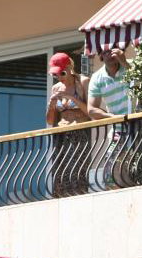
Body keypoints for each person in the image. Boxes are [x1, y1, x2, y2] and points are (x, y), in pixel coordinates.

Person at [47, 52, 93, 196]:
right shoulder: (56, 88)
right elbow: (49, 121)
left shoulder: (83, 82)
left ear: (69, 68)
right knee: (61, 175)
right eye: (56, 75)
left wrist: (71, 97)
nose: (59, 77)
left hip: (81, 131)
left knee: (79, 173)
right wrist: (51, 106)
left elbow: (90, 112)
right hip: (62, 134)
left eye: (62, 73)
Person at [88, 43, 134, 187]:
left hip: (139, 123)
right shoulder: (97, 77)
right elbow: (92, 110)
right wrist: (112, 118)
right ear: (100, 55)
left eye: (113, 49)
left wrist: (124, 62)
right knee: (113, 171)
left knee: (139, 165)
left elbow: (140, 83)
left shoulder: (131, 66)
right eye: (105, 51)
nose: (110, 53)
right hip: (118, 128)